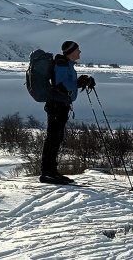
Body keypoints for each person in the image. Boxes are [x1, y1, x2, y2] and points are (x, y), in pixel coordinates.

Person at [40, 40, 95, 184]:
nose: (80, 52)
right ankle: (47, 172)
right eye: (78, 50)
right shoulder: (62, 64)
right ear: (71, 52)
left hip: (61, 105)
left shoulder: (66, 64)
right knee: (53, 138)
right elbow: (61, 84)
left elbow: (67, 82)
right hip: (57, 105)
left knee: (56, 138)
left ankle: (51, 171)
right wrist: (79, 83)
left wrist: (82, 81)